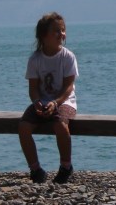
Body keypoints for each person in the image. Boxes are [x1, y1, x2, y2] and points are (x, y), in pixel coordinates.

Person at [18, 12, 79, 183]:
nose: (62, 34)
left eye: (63, 30)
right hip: (42, 102)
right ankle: (35, 169)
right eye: (57, 31)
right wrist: (37, 103)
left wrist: (55, 103)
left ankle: (66, 166)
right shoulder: (35, 59)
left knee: (60, 125)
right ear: (44, 35)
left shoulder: (68, 57)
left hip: (65, 102)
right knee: (23, 127)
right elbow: (33, 89)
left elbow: (68, 87)